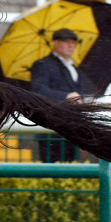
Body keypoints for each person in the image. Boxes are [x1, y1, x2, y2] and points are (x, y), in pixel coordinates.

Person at [30, 28, 85, 162]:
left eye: (73, 42)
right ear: (55, 43)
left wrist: (85, 101)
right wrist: (66, 96)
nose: (71, 45)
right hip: (51, 124)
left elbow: (77, 92)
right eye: (66, 41)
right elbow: (38, 90)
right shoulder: (42, 64)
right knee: (52, 167)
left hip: (72, 126)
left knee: (71, 167)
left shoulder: (74, 68)